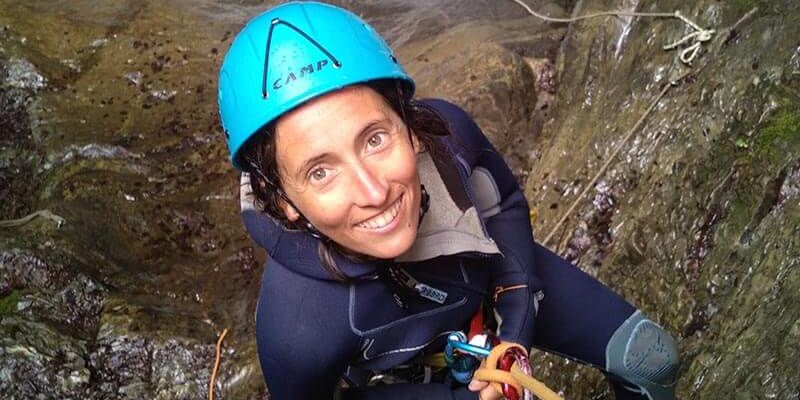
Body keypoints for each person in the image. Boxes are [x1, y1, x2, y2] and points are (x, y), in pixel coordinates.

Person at [217, 2, 680, 399]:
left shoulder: (450, 140)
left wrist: (514, 324)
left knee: (648, 358)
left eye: (375, 139)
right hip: (404, 381)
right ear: (282, 202)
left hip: (490, 280)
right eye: (321, 171)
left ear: (410, 125)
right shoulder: (298, 326)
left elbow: (504, 208)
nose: (374, 193)